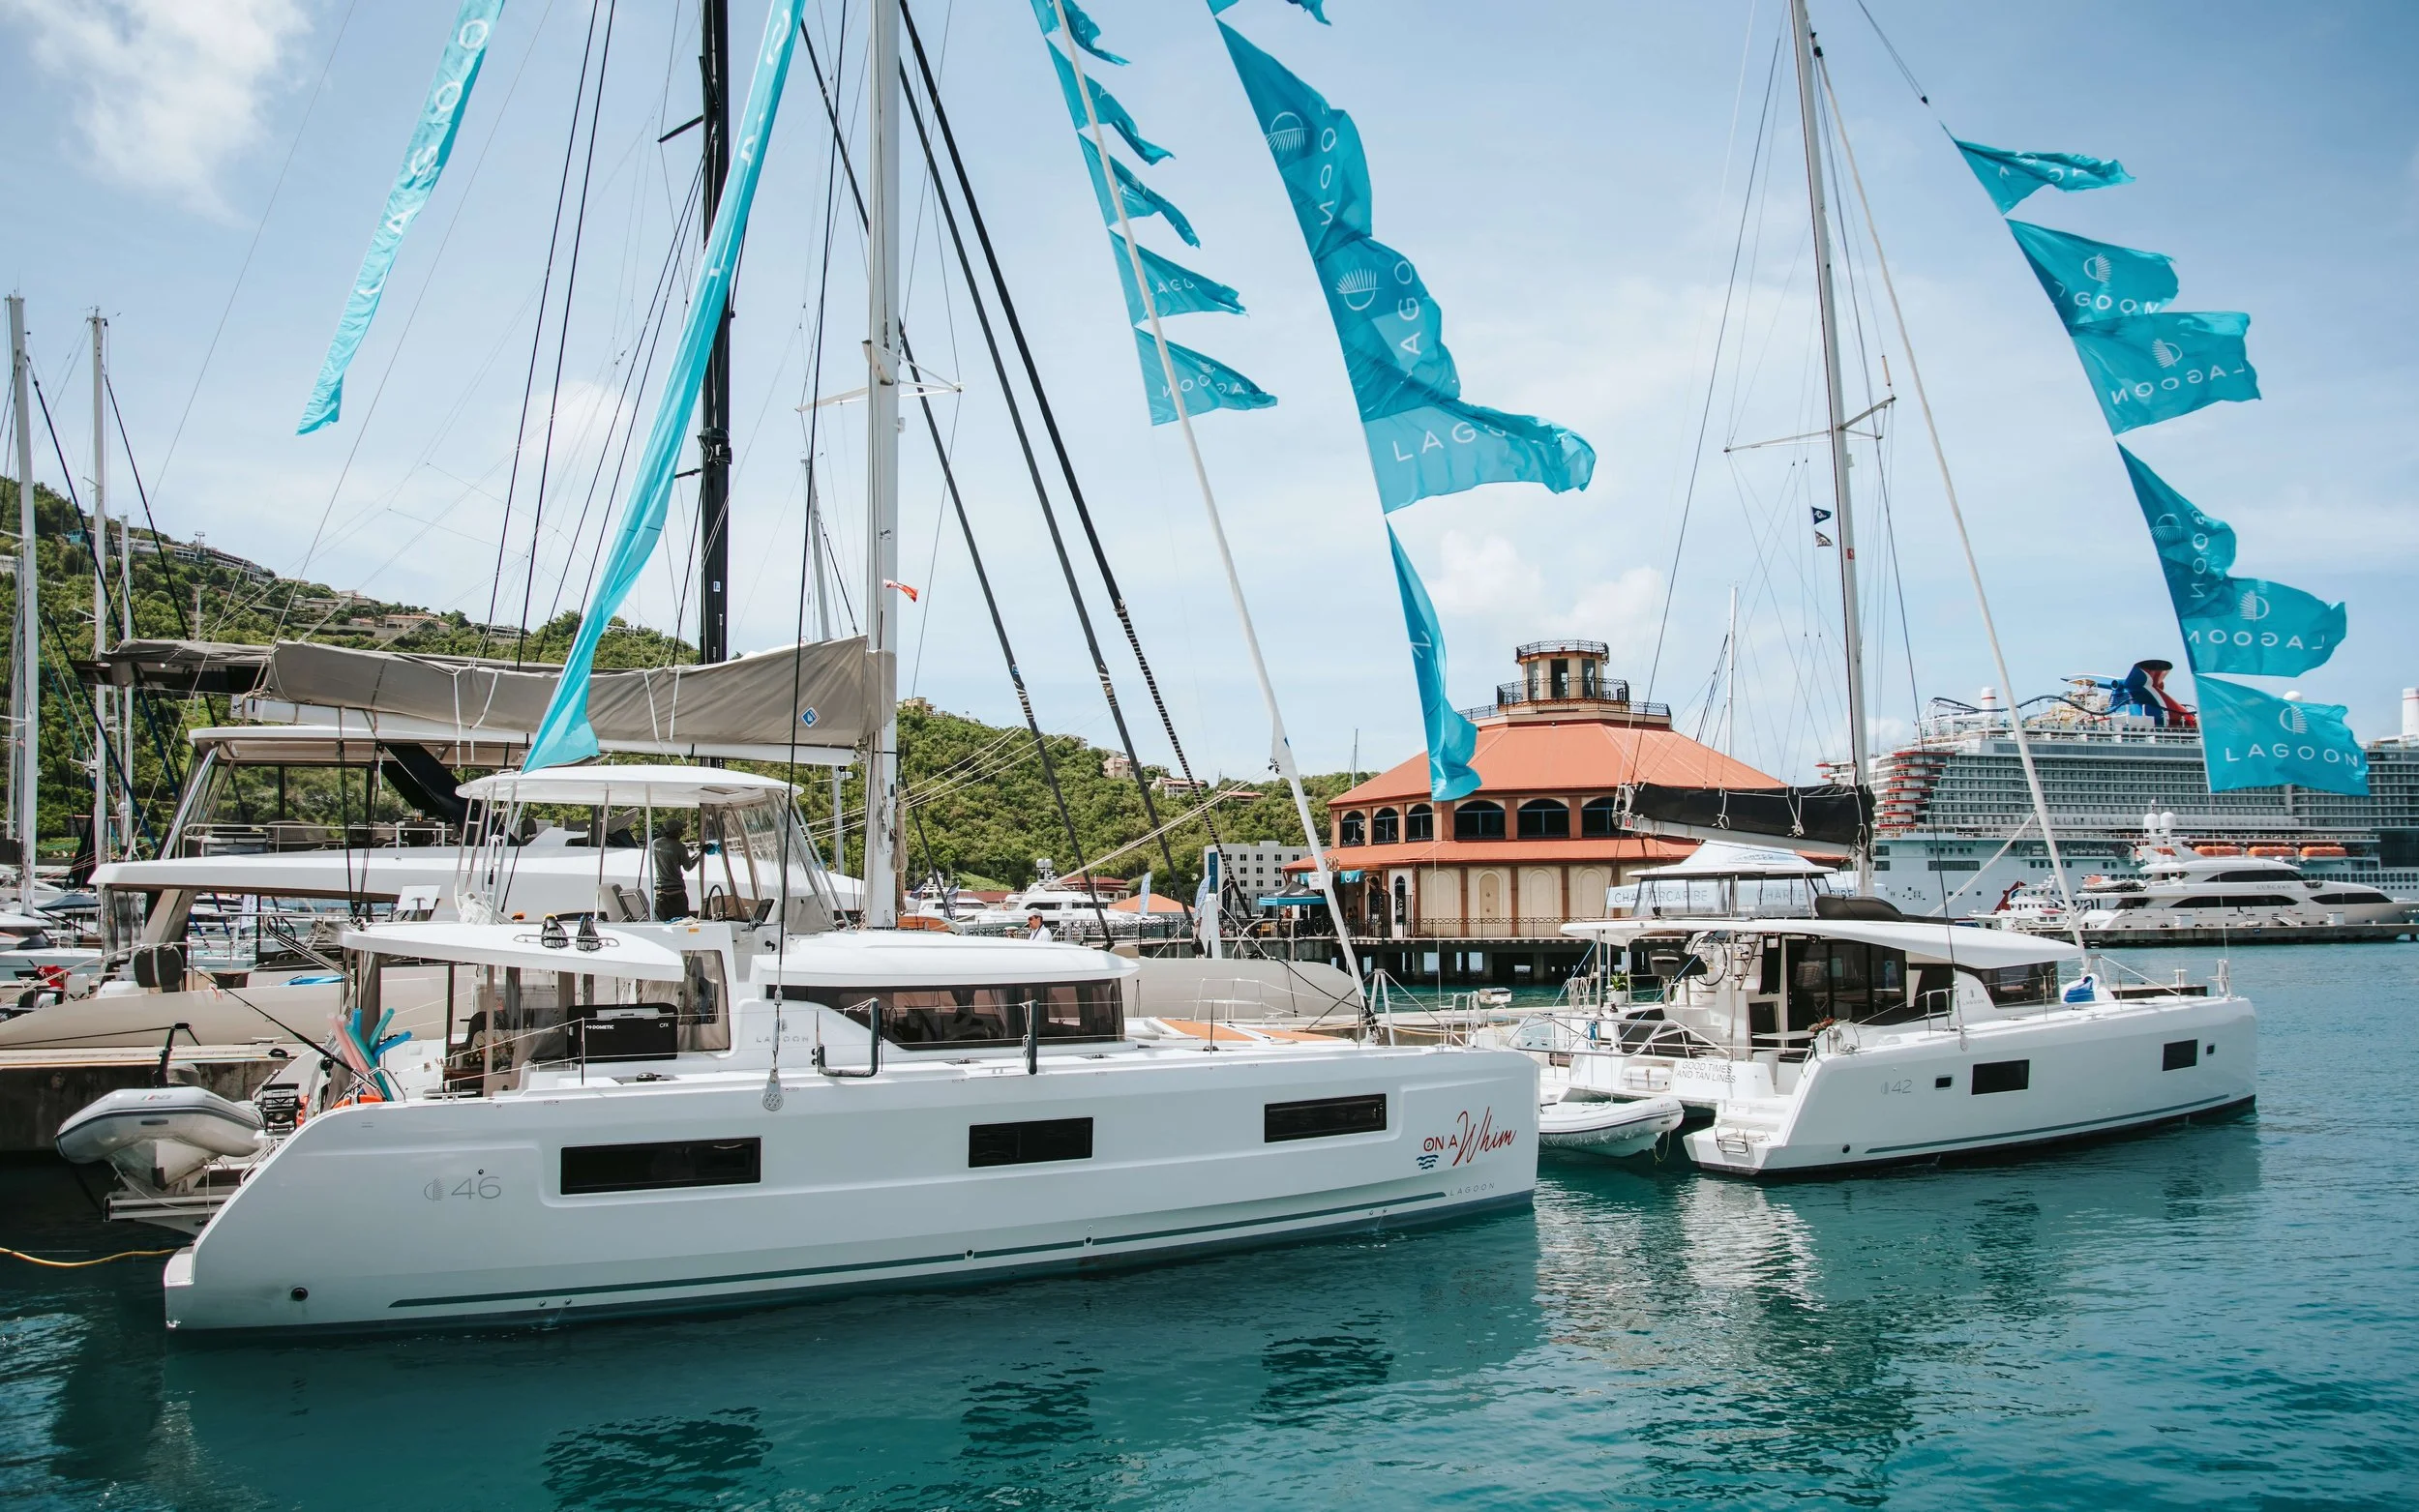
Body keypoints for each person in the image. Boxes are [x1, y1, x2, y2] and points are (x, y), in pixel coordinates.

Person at [650, 815, 699, 921]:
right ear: (676, 832)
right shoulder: (680, 847)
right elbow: (688, 867)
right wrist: (700, 855)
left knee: (663, 923)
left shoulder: (655, 843)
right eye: (680, 830)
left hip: (661, 894)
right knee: (683, 924)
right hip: (677, 894)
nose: (682, 833)